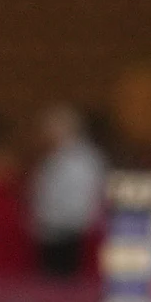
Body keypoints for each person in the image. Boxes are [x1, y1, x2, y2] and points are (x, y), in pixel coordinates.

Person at [30, 104, 106, 278]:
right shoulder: (53, 158)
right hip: (49, 231)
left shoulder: (83, 160)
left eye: (50, 128)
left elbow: (84, 199)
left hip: (70, 234)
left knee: (67, 289)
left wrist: (71, 225)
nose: (46, 133)